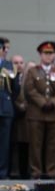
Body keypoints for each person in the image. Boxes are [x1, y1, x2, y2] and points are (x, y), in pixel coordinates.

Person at [25, 41, 55, 181]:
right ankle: (36, 171)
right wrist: (42, 102)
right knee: (35, 145)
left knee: (53, 145)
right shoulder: (33, 71)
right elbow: (30, 90)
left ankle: (51, 171)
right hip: (37, 113)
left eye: (51, 53)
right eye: (46, 53)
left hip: (54, 114)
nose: (48, 56)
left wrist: (53, 103)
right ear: (40, 54)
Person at [0, 37, 17, 179]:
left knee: (4, 143)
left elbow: (15, 88)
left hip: (5, 108)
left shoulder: (9, 65)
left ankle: (2, 172)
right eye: (4, 48)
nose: (5, 51)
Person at [10, 55, 28, 178]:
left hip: (26, 115)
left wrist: (25, 106)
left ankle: (24, 171)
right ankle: (13, 171)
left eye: (21, 62)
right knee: (12, 144)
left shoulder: (27, 78)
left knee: (25, 144)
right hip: (12, 113)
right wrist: (17, 105)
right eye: (16, 62)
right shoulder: (8, 77)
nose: (19, 65)